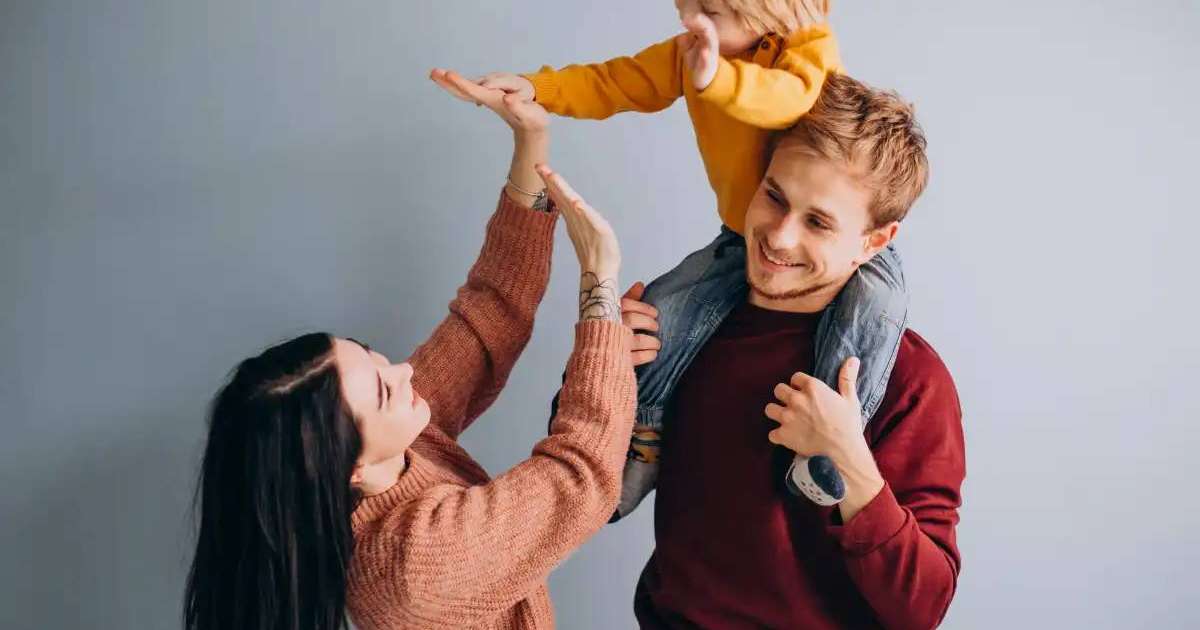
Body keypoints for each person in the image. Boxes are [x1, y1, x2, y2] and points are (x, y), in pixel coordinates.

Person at [183, 71, 649, 630]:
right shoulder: (411, 570)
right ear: (350, 466)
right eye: (383, 389)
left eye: (373, 356)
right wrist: (598, 281)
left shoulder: (395, 443)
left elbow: (490, 313)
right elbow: (577, 479)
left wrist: (531, 140)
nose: (404, 372)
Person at [468, 0, 908, 514]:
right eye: (687, 4)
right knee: (658, 313)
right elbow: (614, 82)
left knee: (874, 312)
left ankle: (826, 449)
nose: (689, 19)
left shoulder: (805, 47)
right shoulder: (689, 54)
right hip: (737, 235)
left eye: (711, 10)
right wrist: (536, 88)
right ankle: (643, 439)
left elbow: (787, 99)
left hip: (839, 265)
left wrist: (716, 77)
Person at [628, 73, 965, 628]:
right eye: (774, 197)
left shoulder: (911, 379)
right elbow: (586, 486)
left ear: (875, 241)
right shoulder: (683, 328)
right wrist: (602, 372)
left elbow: (923, 608)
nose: (780, 236)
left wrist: (848, 458)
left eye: (818, 222)